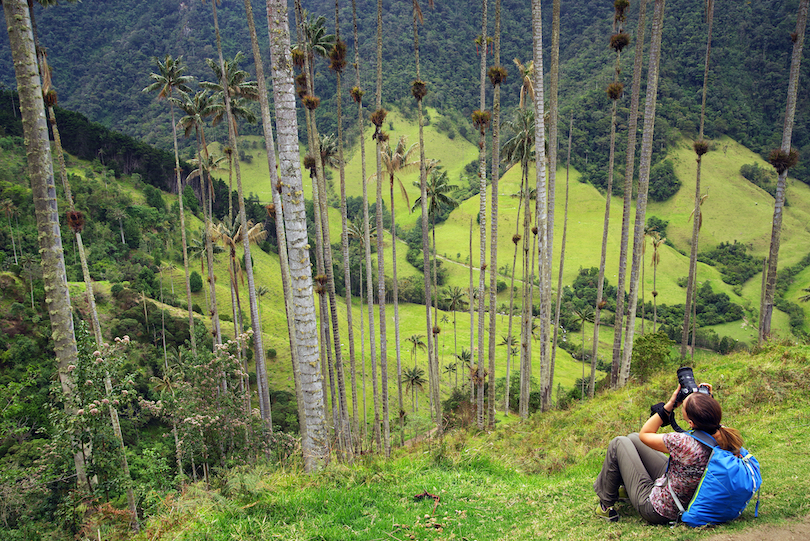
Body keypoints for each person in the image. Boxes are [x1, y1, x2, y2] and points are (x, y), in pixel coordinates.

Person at [593, 383, 744, 523]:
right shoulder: (725, 437)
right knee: (632, 439)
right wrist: (706, 402)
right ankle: (625, 489)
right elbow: (639, 438)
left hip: (660, 510)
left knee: (619, 443)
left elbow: (645, 433)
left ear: (690, 423)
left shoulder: (683, 443)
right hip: (687, 491)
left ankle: (606, 505)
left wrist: (670, 405)